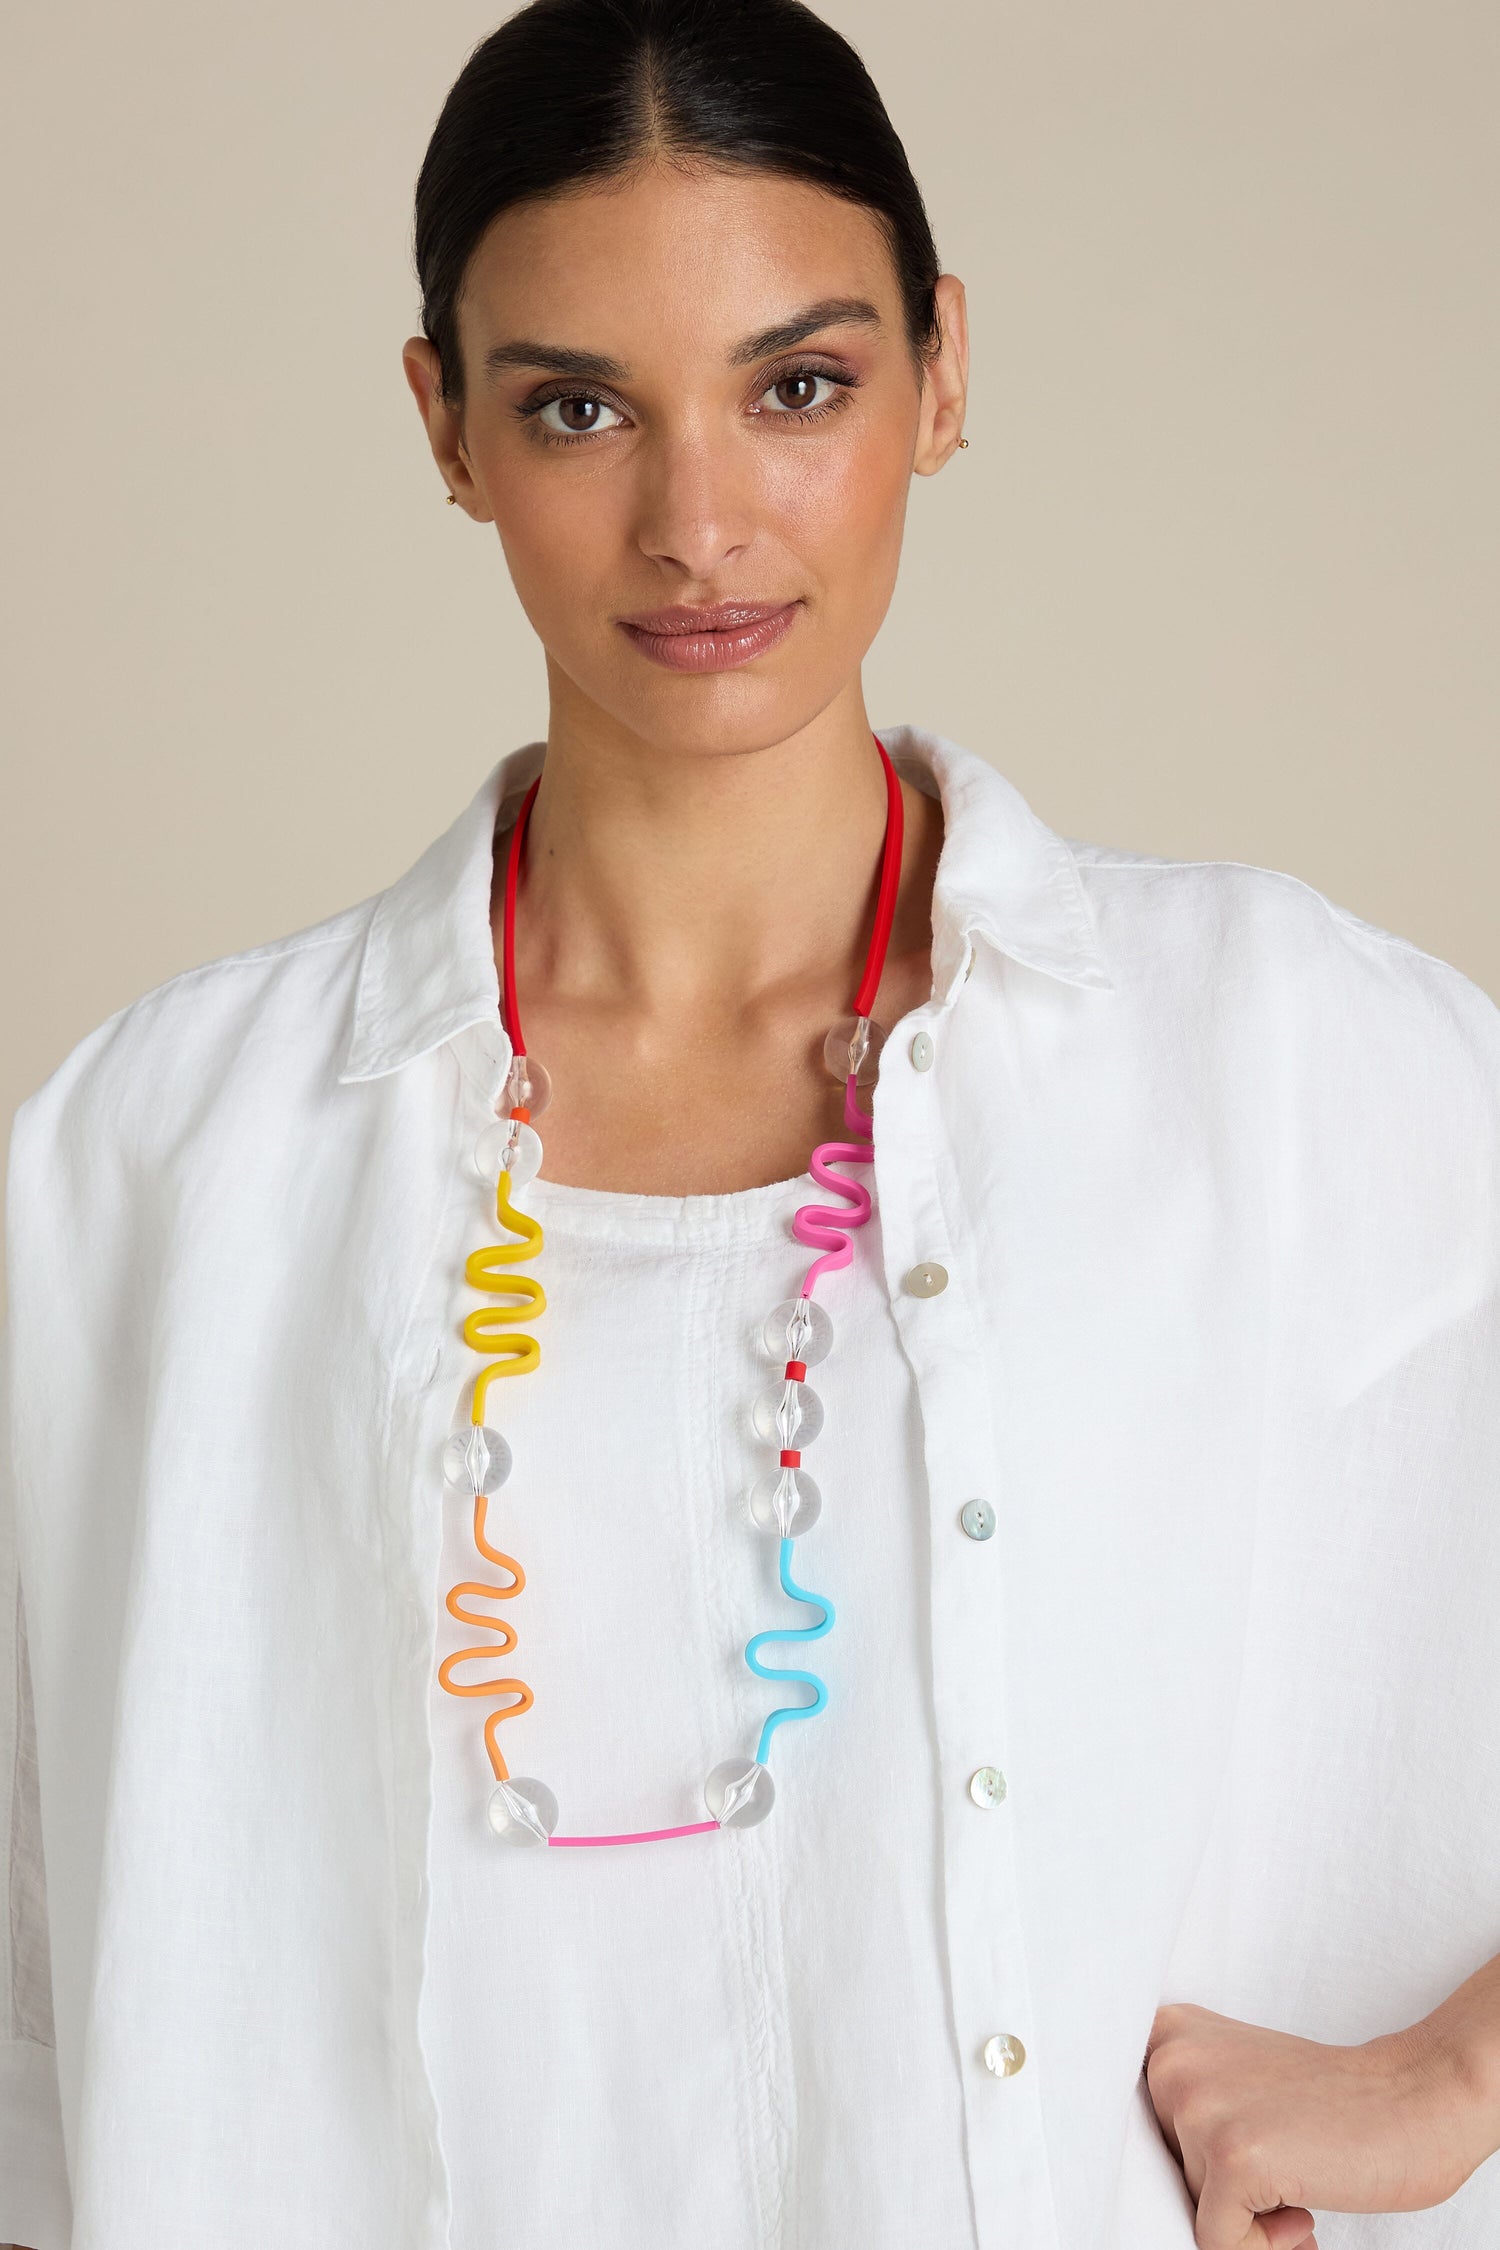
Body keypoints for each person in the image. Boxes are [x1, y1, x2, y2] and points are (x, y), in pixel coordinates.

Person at [3, 2, 1499, 2246]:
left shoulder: (1290, 1061)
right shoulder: (156, 1165)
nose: (699, 523)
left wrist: (1458, 2073)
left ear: (945, 371)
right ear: (445, 427)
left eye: (800, 386)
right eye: (578, 405)